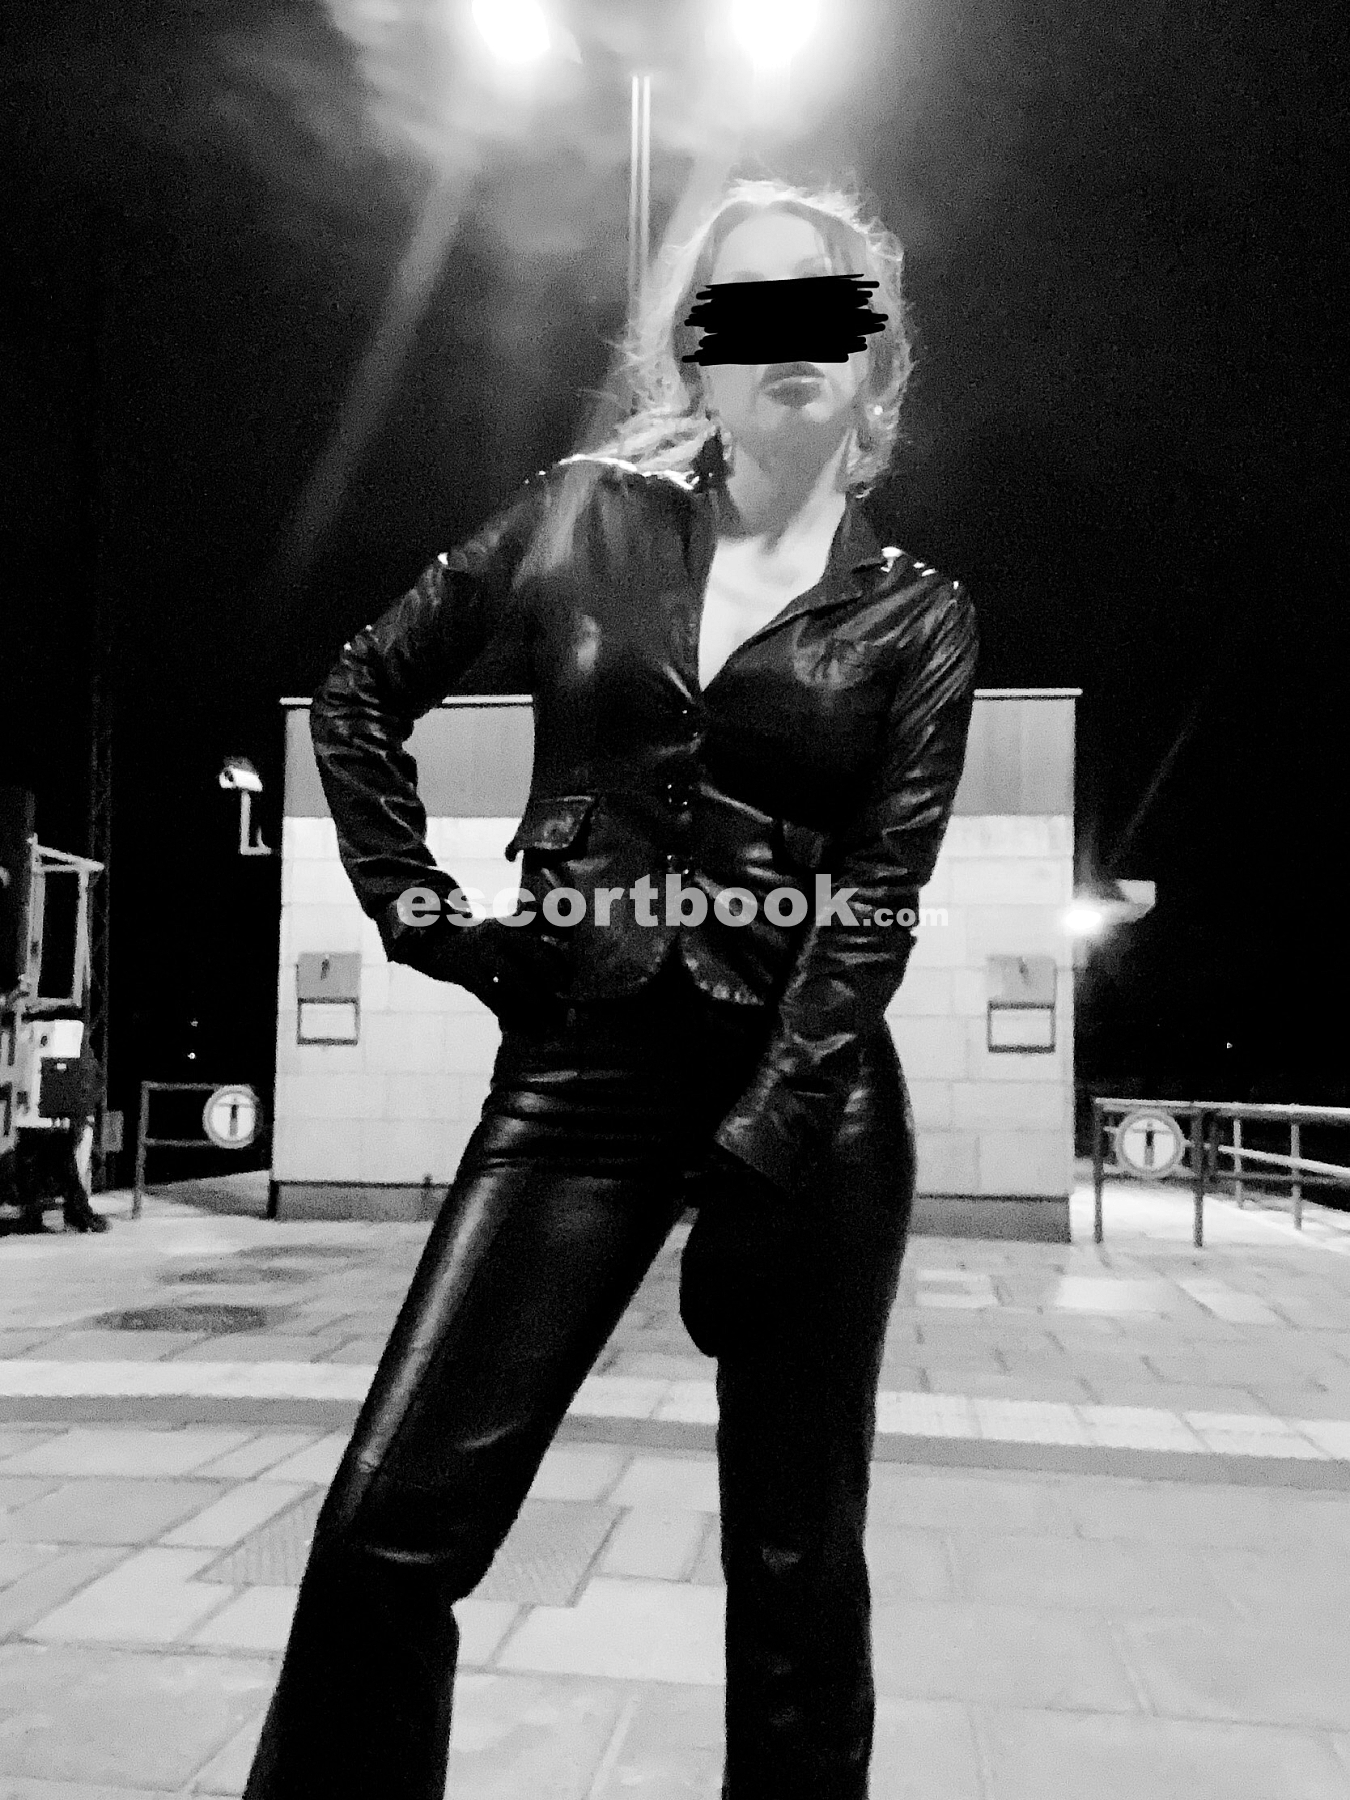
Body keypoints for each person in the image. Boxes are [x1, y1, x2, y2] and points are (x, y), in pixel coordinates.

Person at [244, 176, 977, 1800]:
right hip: (579, 1077)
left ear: (873, 355)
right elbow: (357, 691)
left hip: (810, 1106)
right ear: (697, 351)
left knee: (794, 1568)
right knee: (386, 1531)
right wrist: (429, 918)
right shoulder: (580, 518)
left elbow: (877, 899)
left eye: (825, 301)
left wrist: (764, 1140)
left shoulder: (917, 615)